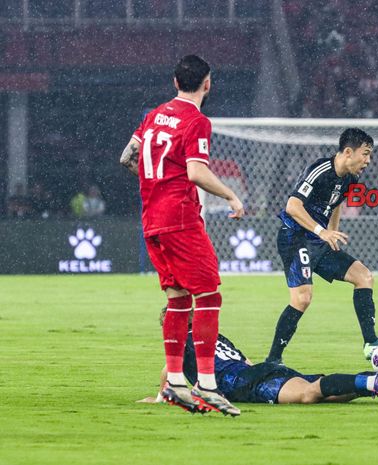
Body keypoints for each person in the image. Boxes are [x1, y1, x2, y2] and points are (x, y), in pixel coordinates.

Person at [119, 55, 245, 416]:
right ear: (208, 84)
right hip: (180, 219)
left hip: (152, 220)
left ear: (175, 82)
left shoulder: (154, 115)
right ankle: (207, 385)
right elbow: (195, 171)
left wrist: (156, 185)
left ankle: (175, 382)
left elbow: (128, 157)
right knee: (209, 295)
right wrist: (231, 195)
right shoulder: (197, 121)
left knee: (177, 299)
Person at [139, 308, 378, 406]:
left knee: (308, 394)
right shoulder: (214, 335)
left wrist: (159, 397)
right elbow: (248, 362)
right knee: (318, 392)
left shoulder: (181, 341)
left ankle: (376, 381)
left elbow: (169, 372)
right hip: (258, 371)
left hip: (243, 384)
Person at [266, 128, 378, 365]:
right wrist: (323, 231)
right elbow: (292, 206)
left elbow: (336, 203)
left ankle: (371, 343)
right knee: (302, 298)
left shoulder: (350, 178)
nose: (368, 161)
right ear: (348, 152)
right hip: (295, 237)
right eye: (366, 154)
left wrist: (333, 234)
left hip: (319, 239)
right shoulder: (320, 170)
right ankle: (272, 360)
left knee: (364, 277)